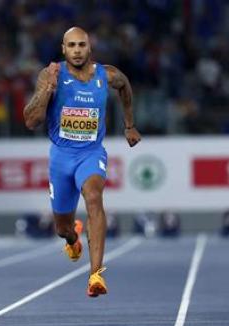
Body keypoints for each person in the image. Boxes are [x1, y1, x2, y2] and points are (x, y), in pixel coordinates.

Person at [23, 26, 141, 297]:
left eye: (82, 45)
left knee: (93, 197)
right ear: (64, 49)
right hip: (61, 157)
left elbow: (125, 86)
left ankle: (95, 275)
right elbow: (31, 120)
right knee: (62, 227)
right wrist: (47, 90)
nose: (77, 50)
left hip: (91, 153)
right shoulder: (51, 75)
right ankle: (72, 239)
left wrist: (129, 125)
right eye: (72, 45)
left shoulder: (106, 74)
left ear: (90, 48)